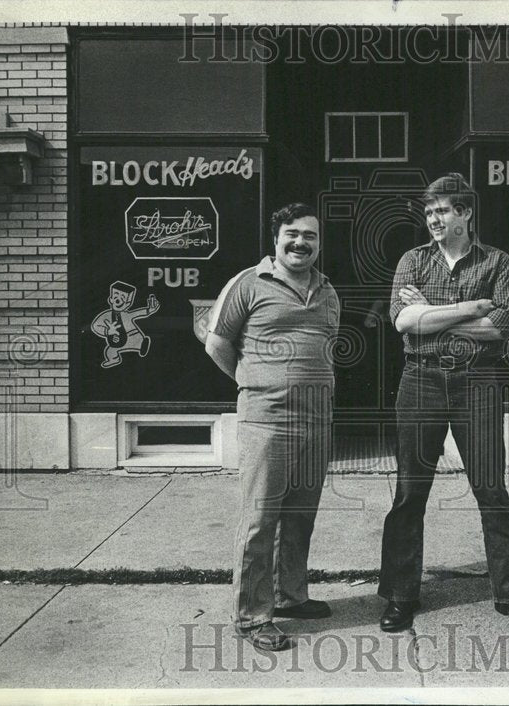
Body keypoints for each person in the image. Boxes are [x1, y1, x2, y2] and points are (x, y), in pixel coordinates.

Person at [378, 173, 509, 633]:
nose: (433, 219)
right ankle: (399, 595)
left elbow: (501, 329)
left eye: (442, 211)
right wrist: (471, 307)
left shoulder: (497, 262)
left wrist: (430, 314)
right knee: (410, 492)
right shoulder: (413, 260)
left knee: (491, 491)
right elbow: (403, 323)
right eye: (429, 212)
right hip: (421, 381)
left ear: (466, 213)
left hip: (479, 381)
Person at [205, 203, 340, 652]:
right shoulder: (248, 283)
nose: (301, 242)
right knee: (260, 521)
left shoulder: (327, 291)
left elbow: (324, 348)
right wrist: (255, 384)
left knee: (300, 515)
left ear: (319, 243)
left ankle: (290, 595)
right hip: (267, 419)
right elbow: (217, 344)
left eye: (310, 236)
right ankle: (250, 617)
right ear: (276, 238)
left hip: (316, 419)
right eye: (292, 234)